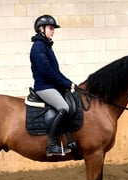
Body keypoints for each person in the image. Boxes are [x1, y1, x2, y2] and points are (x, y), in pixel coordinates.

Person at [30, 15, 76, 156]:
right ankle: (51, 145)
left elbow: (56, 72)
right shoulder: (38, 47)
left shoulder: (46, 46)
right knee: (64, 108)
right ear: (41, 29)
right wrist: (66, 84)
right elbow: (48, 72)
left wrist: (70, 83)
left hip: (51, 85)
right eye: (50, 28)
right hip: (44, 87)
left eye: (53, 29)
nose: (53, 31)